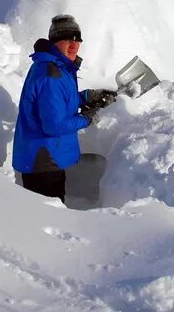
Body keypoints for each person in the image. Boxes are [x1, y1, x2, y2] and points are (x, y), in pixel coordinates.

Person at [12, 14, 117, 202]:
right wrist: (87, 118)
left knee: (49, 214)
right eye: (67, 39)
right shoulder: (51, 75)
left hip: (45, 158)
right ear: (54, 42)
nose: (73, 44)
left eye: (77, 39)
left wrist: (87, 97)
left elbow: (58, 103)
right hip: (43, 162)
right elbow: (54, 126)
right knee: (48, 218)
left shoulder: (58, 68)